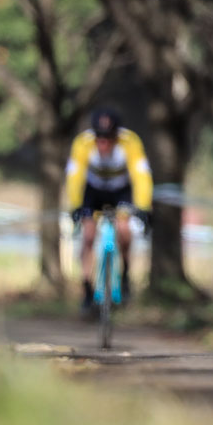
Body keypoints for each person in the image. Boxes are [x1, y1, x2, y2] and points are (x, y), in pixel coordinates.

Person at [65, 107, 153, 313]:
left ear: (116, 135)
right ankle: (86, 288)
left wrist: (143, 207)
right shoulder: (83, 143)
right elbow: (74, 176)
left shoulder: (130, 142)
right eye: (99, 138)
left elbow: (141, 176)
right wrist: (75, 205)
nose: (103, 143)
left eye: (109, 138)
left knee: (124, 229)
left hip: (120, 191)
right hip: (93, 192)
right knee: (87, 236)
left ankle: (125, 276)